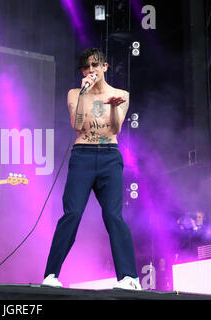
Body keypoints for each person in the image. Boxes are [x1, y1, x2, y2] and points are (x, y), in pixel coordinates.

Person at [42, 48, 141, 290]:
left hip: (109, 156)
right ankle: (51, 275)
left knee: (113, 215)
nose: (91, 70)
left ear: (105, 66)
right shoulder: (75, 93)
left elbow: (115, 129)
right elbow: (77, 125)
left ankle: (129, 278)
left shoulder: (121, 94)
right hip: (83, 154)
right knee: (72, 213)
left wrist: (115, 109)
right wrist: (84, 94)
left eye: (95, 65)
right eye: (87, 67)